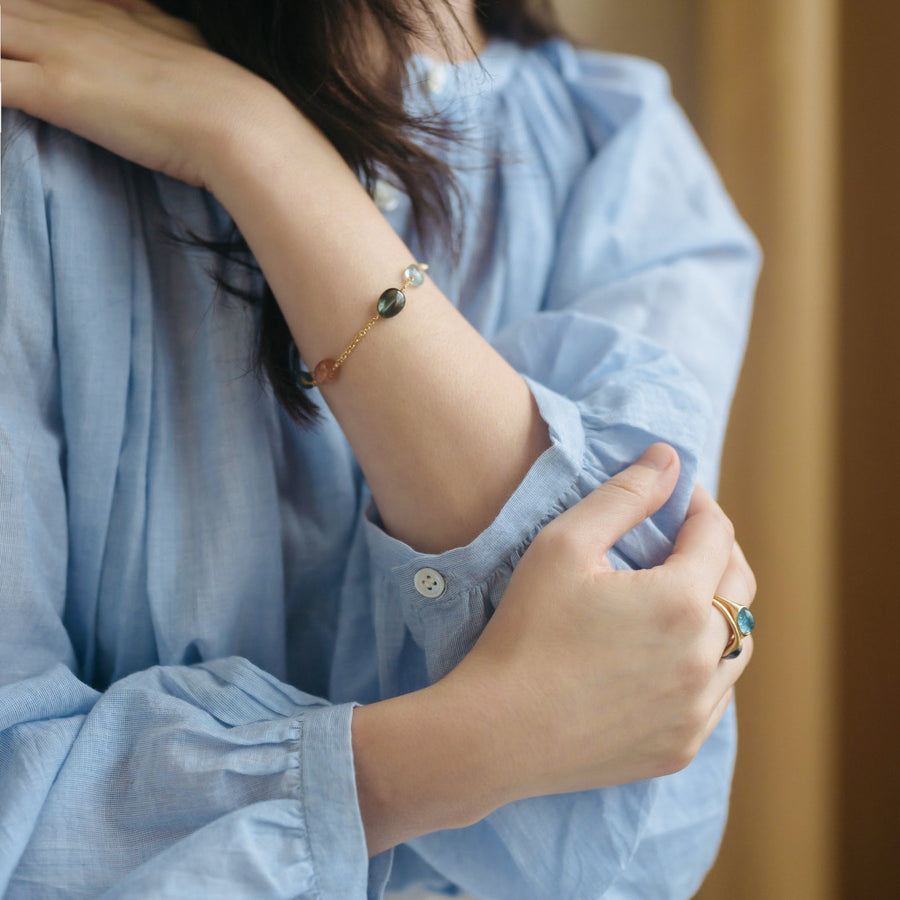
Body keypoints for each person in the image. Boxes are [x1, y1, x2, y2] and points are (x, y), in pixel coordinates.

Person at [0, 1, 759, 897]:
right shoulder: (38, 125)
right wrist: (466, 751)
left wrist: (262, 153)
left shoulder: (624, 156)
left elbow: (644, 734)